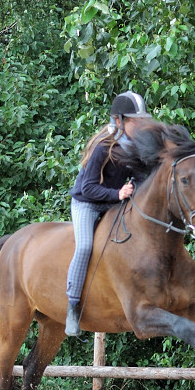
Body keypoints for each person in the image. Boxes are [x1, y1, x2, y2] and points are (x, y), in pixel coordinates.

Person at [65, 91, 151, 336]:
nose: (141, 125)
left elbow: (143, 178)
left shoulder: (135, 147)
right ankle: (72, 307)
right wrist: (118, 195)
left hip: (115, 202)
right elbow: (88, 188)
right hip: (87, 203)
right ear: (119, 121)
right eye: (136, 121)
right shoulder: (103, 148)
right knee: (83, 248)